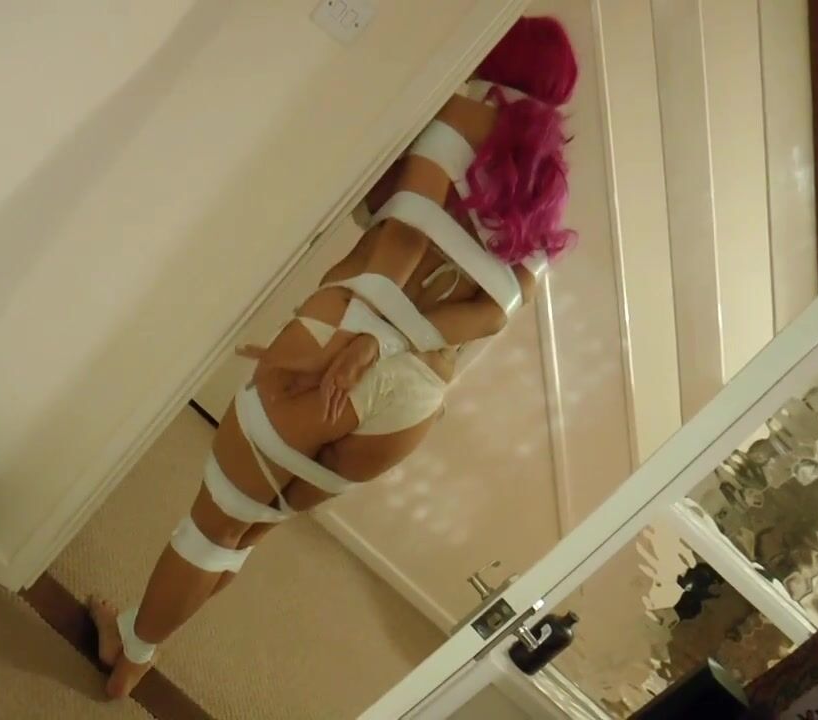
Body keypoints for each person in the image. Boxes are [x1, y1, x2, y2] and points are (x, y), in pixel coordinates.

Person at [89, 15, 580, 699]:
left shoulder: (460, 116)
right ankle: (137, 637)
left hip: (342, 342)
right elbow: (489, 315)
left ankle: (130, 659)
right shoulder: (547, 192)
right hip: (412, 403)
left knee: (213, 523)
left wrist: (365, 336)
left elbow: (402, 237)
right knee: (248, 531)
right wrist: (390, 344)